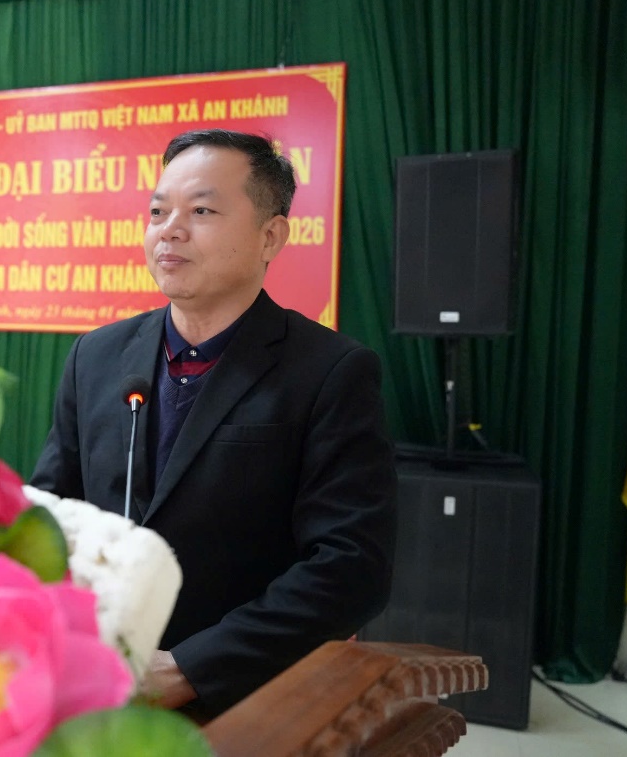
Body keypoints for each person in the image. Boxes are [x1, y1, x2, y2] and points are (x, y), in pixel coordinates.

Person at [31, 129, 397, 717]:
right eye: (158, 211)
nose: (169, 229)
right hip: (93, 688)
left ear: (270, 236)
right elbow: (51, 510)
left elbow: (351, 568)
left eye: (201, 210)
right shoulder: (96, 357)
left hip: (243, 700)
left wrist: (191, 668)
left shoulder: (330, 373)